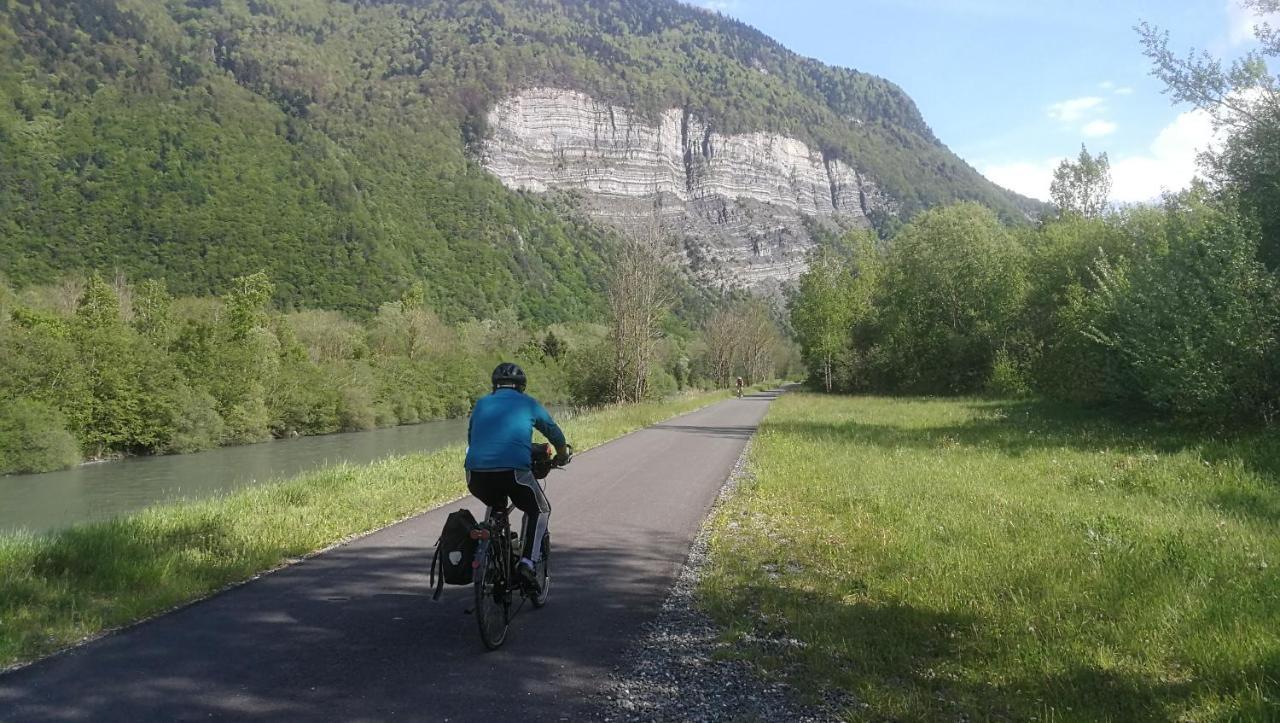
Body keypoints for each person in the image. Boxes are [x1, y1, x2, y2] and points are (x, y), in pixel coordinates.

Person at [464, 362, 570, 591]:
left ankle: (493, 553)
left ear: (495, 385)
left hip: (475, 475)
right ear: (522, 386)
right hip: (514, 473)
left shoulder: (482, 404)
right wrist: (562, 453)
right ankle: (527, 563)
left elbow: (472, 439)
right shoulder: (528, 403)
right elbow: (553, 431)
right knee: (540, 509)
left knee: (496, 507)